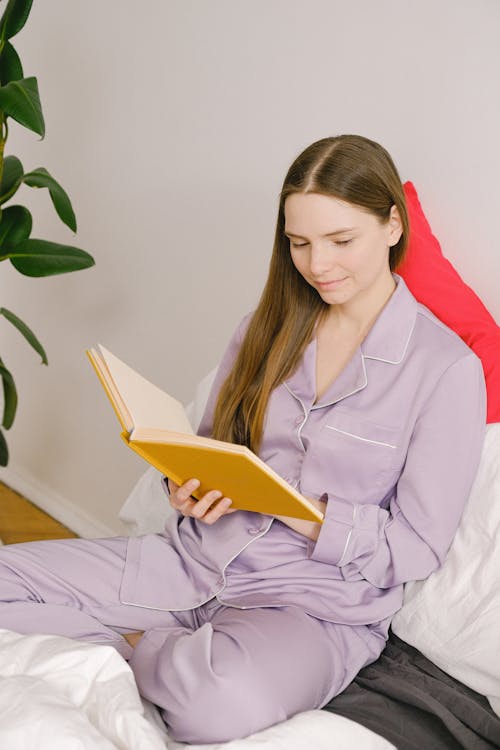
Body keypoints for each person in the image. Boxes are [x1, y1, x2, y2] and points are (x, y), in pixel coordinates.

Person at [0, 135, 486, 744]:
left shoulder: (444, 370)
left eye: (341, 241)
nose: (318, 265)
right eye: (299, 243)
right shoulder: (264, 328)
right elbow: (214, 448)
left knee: (218, 705)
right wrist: (187, 487)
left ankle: (135, 645)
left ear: (393, 225)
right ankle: (161, 650)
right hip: (191, 560)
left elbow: (417, 548)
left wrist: (309, 517)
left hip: (310, 607)